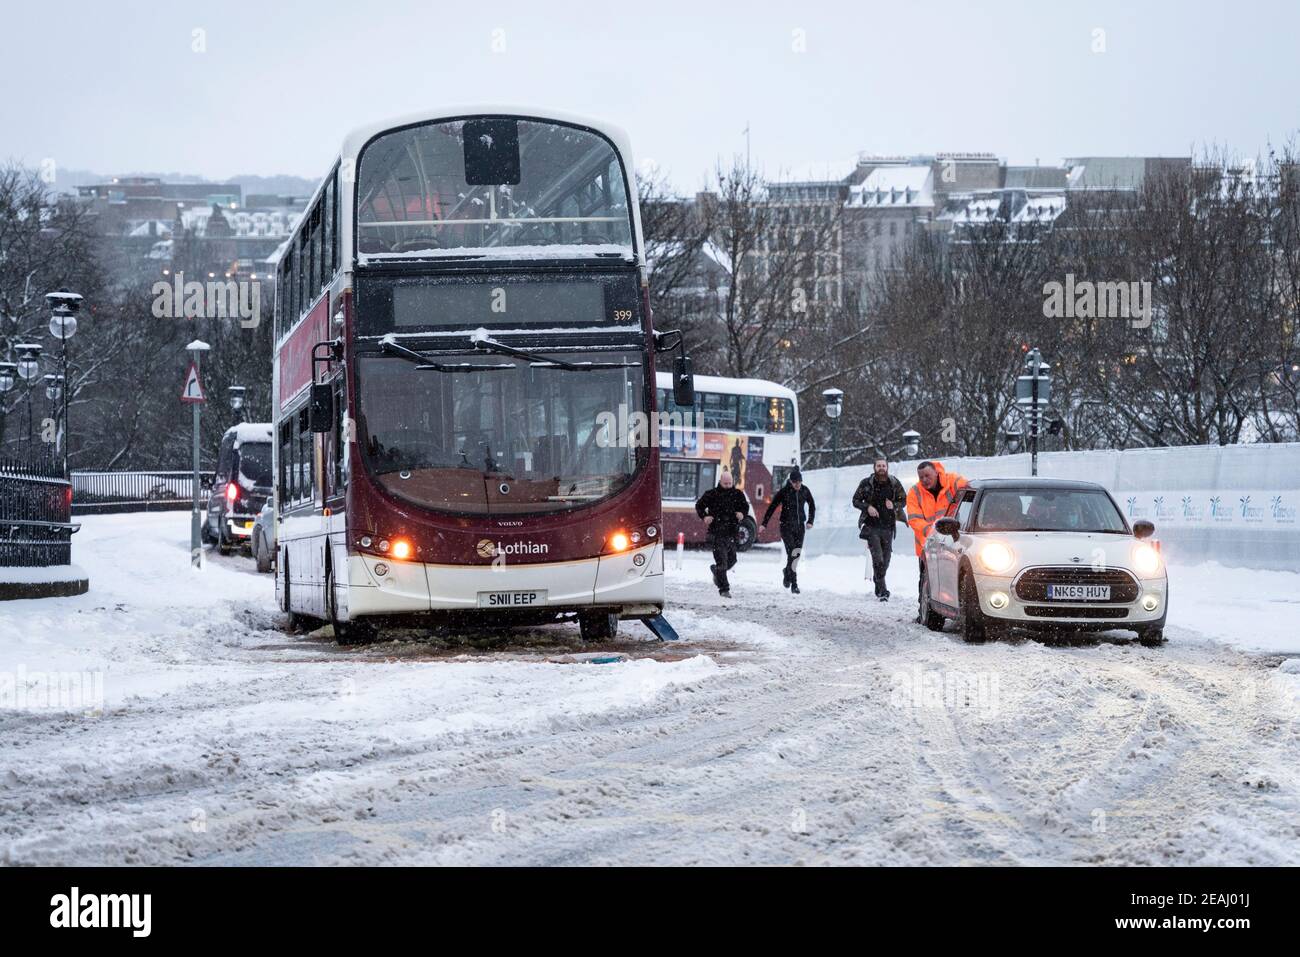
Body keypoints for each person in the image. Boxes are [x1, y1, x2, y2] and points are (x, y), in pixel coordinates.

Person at [905, 460, 970, 623]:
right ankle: (925, 614)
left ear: (936, 472)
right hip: (928, 546)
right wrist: (935, 533)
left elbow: (968, 489)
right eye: (921, 477)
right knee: (926, 581)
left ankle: (952, 608)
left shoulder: (953, 482)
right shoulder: (914, 492)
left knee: (949, 579)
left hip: (952, 543)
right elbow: (914, 519)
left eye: (927, 475)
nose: (924, 480)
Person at [852, 457, 907, 601]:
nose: (881, 468)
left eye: (883, 465)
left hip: (888, 528)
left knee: (886, 560)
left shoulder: (894, 483)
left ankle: (878, 582)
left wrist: (894, 505)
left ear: (887, 467)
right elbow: (855, 501)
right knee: (878, 559)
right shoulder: (866, 483)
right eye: (878, 466)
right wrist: (867, 507)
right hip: (871, 527)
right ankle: (883, 591)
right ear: (874, 468)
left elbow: (904, 500)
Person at [695, 470, 750, 597]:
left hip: (731, 532)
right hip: (716, 533)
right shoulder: (712, 494)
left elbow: (745, 507)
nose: (727, 485)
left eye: (729, 483)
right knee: (722, 562)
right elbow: (699, 506)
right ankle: (724, 589)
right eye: (725, 483)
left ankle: (716, 572)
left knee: (732, 560)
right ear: (720, 481)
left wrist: (742, 514)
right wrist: (704, 517)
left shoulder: (737, 494)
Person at [761, 467, 815, 594]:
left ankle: (787, 571)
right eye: (795, 482)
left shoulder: (805, 490)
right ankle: (794, 584)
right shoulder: (784, 492)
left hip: (800, 526)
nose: (797, 485)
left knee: (796, 554)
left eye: (799, 482)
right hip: (786, 526)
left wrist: (810, 521)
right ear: (791, 481)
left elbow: (812, 504)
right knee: (791, 552)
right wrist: (764, 523)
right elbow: (772, 506)